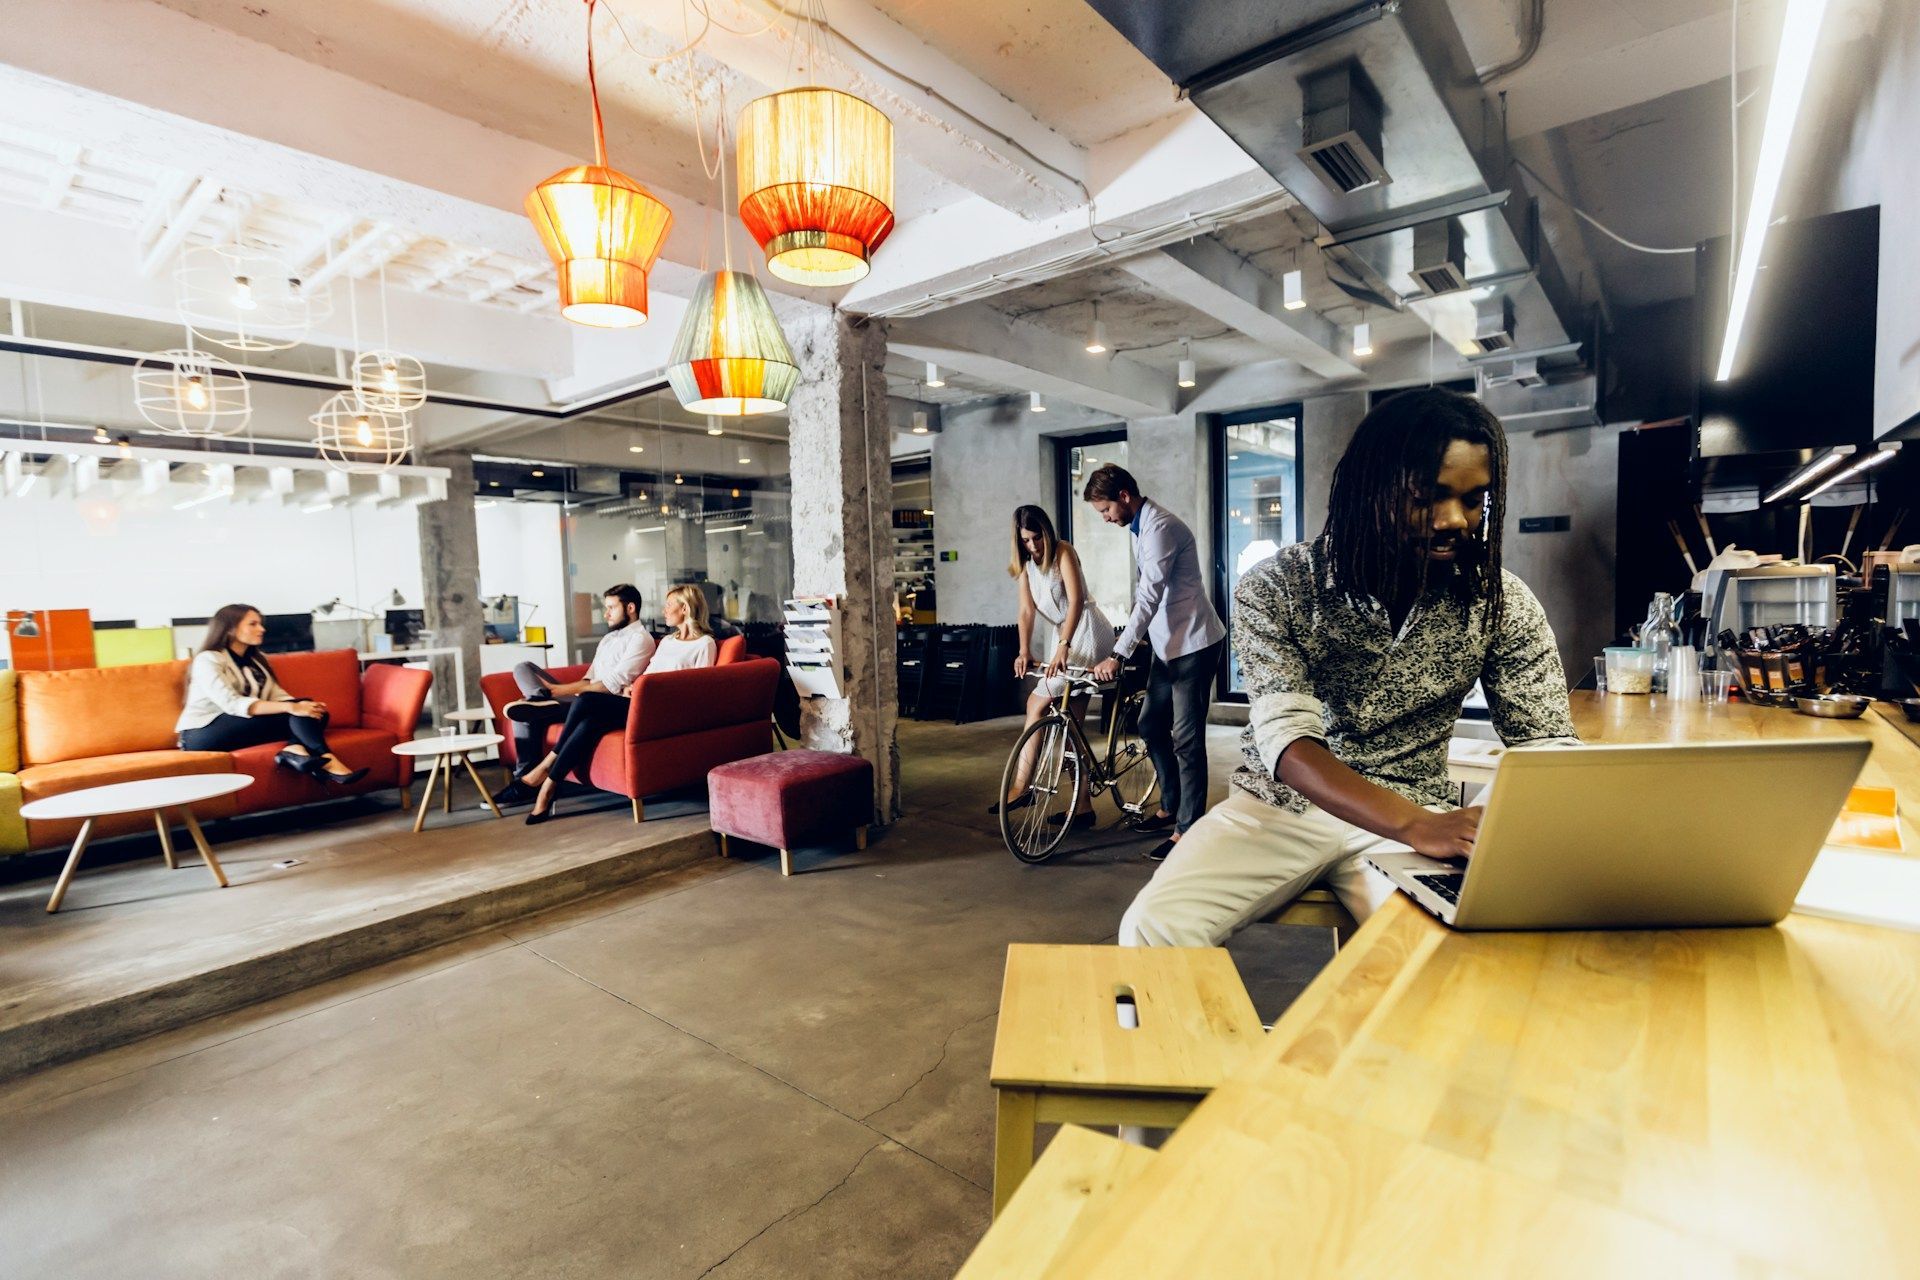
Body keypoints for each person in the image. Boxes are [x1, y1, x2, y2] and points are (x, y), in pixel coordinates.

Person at [1118, 388, 1579, 949]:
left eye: (1475, 499)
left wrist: (1492, 822)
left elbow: (1546, 745)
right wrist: (1418, 826)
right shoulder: (1280, 586)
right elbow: (1288, 745)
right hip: (1279, 809)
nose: (1456, 519)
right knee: (1153, 928)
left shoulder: (1500, 602)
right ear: (1371, 490)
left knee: (1451, 952)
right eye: (1428, 497)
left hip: (1414, 807)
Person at [1084, 465, 1227, 861]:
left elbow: (1150, 593)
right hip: (1168, 645)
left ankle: (1188, 828)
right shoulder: (1138, 527)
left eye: (1106, 510)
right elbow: (1144, 593)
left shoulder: (1161, 526)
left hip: (1195, 644)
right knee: (1149, 723)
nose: (1106, 517)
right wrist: (1128, 637)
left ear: (1125, 496)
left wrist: (1118, 652)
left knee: (1186, 737)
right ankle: (1169, 806)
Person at [992, 505, 1113, 830]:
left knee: (1036, 701)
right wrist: (1023, 650)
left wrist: (1063, 646)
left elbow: (1076, 601)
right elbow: (1026, 612)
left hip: (1086, 630)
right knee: (1070, 724)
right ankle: (1083, 808)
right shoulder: (1026, 566)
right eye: (1026, 541)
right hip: (1065, 635)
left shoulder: (1063, 552)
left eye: (1036, 538)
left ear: (1046, 532)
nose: (1033, 546)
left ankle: (1023, 786)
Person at [494, 585, 656, 812]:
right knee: (523, 667)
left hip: (602, 702)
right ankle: (539, 701)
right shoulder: (608, 640)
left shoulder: (641, 639)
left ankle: (526, 776)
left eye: (611, 608)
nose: (605, 613)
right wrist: (555, 690)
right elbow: (588, 680)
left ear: (630, 608)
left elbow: (610, 684)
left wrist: (555, 692)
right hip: (582, 698)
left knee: (527, 713)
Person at [175, 603, 370, 785]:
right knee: (298, 710)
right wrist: (291, 707)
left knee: (313, 709)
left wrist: (299, 706)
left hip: (240, 725)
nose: (262, 629)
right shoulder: (208, 660)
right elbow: (232, 704)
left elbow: (278, 695)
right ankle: (326, 759)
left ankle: (293, 750)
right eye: (253, 624)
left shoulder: (257, 661)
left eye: (261, 624)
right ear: (230, 628)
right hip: (202, 733)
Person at [651, 584, 719, 672]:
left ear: (684, 608)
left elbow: (702, 682)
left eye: (669, 605)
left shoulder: (705, 643)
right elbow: (648, 674)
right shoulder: (667, 640)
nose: (664, 611)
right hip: (652, 685)